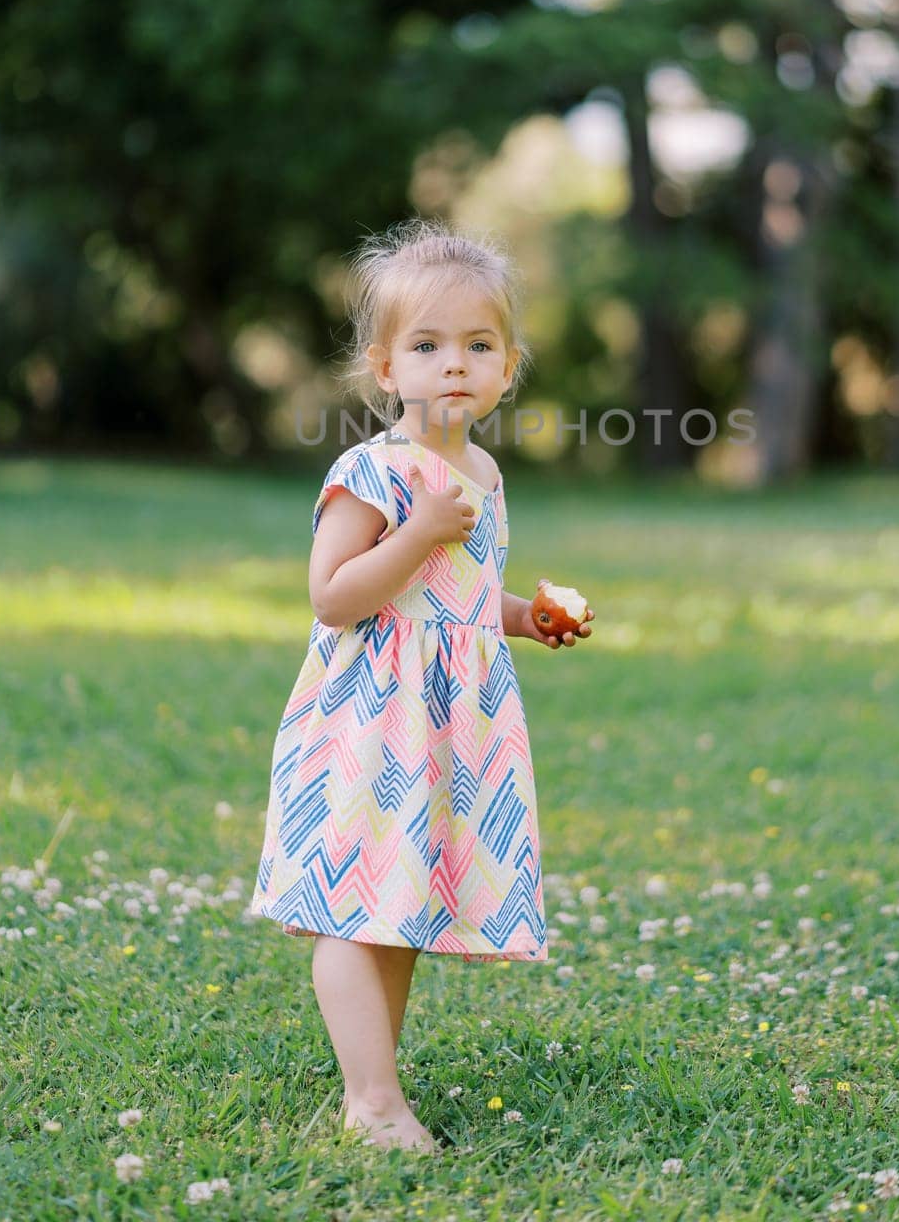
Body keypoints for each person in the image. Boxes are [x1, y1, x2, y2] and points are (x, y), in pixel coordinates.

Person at [248, 218, 595, 1154]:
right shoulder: (372, 470)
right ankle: (372, 1103)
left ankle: (379, 1084)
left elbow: (465, 597)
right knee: (356, 908)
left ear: (508, 367)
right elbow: (333, 596)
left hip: (447, 726)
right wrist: (418, 532)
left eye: (478, 346)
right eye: (428, 346)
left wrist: (528, 616)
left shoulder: (480, 469)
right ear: (386, 366)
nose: (454, 365)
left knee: (396, 906)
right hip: (369, 720)